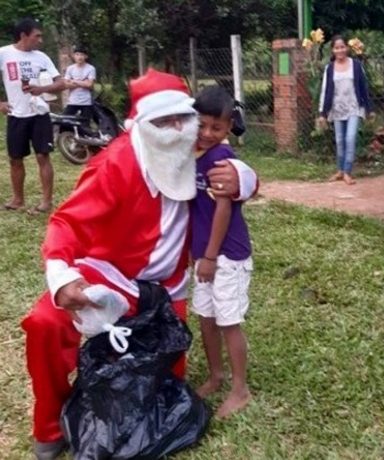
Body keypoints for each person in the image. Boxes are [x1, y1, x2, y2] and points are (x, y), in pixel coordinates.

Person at [20, 69, 258, 460]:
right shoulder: (114, 164)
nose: (177, 129)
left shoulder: (193, 147)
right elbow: (65, 222)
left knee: (164, 388)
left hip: (167, 286)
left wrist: (245, 178)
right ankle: (49, 423)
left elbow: (228, 169)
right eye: (164, 121)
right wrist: (63, 279)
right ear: (141, 124)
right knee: (46, 322)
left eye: (183, 118)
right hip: (110, 274)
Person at [190, 86, 253, 419]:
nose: (207, 133)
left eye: (216, 127)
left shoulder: (221, 161)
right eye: (201, 125)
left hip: (226, 255)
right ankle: (216, 375)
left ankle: (240, 389)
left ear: (229, 127)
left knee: (229, 321)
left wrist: (211, 256)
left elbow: (223, 211)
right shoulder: (193, 154)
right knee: (206, 317)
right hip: (203, 255)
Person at [0, 17, 65, 214]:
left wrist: (41, 89)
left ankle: (46, 202)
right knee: (15, 159)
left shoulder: (42, 57)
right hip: (15, 114)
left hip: (39, 113)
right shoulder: (4, 53)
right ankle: (18, 199)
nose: (40, 40)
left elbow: (61, 83)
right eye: (37, 36)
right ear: (23, 35)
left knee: (42, 156)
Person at [318, 35, 373, 185]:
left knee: (350, 138)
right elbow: (325, 90)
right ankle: (340, 171)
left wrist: (369, 109)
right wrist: (323, 113)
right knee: (340, 140)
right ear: (333, 50)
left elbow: (363, 87)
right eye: (337, 47)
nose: (340, 50)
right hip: (337, 109)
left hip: (354, 108)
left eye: (342, 47)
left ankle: (348, 172)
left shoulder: (356, 65)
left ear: (347, 48)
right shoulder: (329, 68)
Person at [63, 46, 96, 123]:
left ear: (86, 56)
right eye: (77, 54)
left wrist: (74, 81)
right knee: (65, 121)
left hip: (86, 102)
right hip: (72, 101)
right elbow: (66, 84)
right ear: (74, 56)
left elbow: (90, 85)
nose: (79, 57)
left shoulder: (91, 68)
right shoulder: (70, 68)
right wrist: (84, 82)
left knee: (85, 125)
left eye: (82, 55)